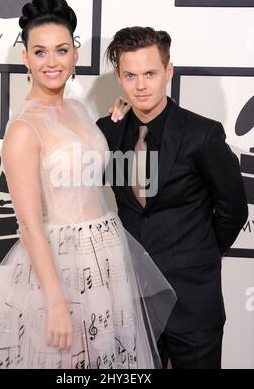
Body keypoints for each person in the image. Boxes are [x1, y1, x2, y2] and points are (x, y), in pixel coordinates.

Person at [0, 0, 176, 369]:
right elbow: (28, 226)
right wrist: (57, 302)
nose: (52, 62)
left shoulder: (77, 109)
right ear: (25, 58)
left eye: (61, 50)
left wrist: (113, 123)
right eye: (40, 52)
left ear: (75, 54)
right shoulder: (24, 129)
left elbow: (84, 166)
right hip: (59, 267)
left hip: (106, 255)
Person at [97, 26, 248, 369]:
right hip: (132, 302)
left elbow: (233, 209)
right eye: (130, 75)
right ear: (119, 77)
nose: (141, 85)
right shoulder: (107, 131)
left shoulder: (202, 134)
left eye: (150, 73)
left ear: (168, 71)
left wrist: (199, 255)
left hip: (193, 301)